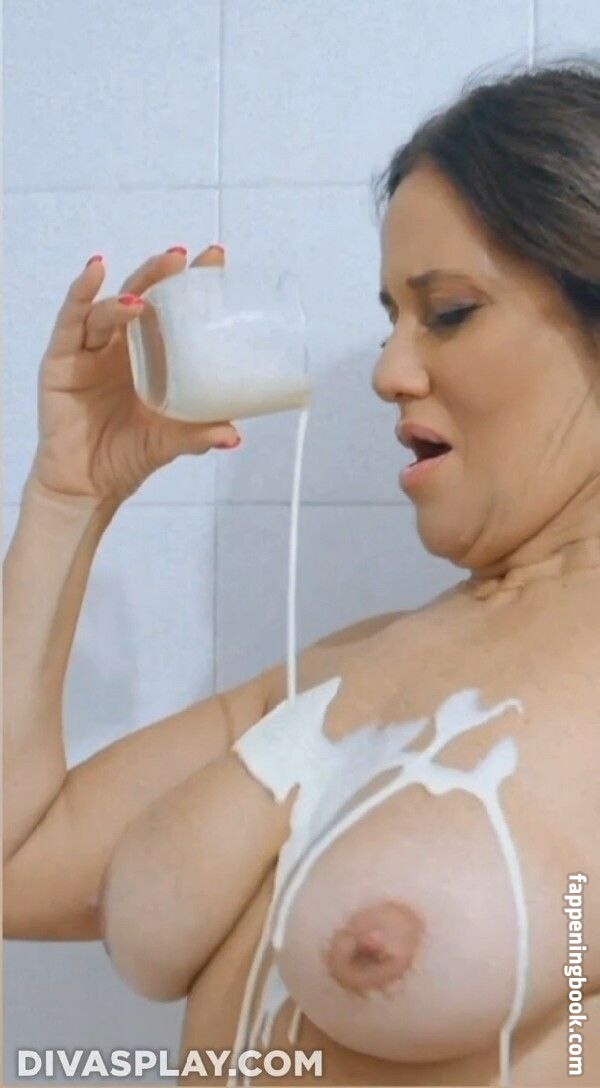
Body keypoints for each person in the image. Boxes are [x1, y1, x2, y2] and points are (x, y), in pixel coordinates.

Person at [4, 59, 600, 1087]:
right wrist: (68, 496)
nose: (389, 371)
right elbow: (15, 863)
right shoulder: (341, 669)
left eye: (449, 311)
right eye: (391, 318)